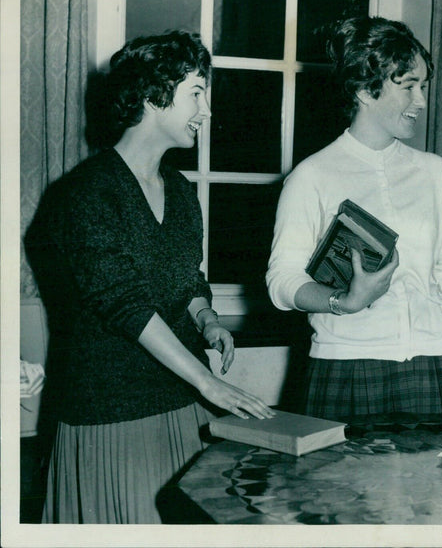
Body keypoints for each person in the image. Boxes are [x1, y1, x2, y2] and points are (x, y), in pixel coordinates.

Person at [27, 31, 273, 524]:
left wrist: (208, 320)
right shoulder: (85, 193)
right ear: (152, 95)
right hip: (110, 411)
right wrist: (208, 382)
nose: (206, 109)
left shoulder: (180, 191)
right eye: (197, 92)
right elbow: (125, 304)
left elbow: (187, 279)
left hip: (179, 401)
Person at [266, 16, 442, 421]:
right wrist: (343, 302)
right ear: (366, 89)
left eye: (423, 86)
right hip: (347, 367)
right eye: (408, 87)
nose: (421, 101)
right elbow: (282, 281)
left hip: (432, 368)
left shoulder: (434, 171)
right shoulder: (312, 176)